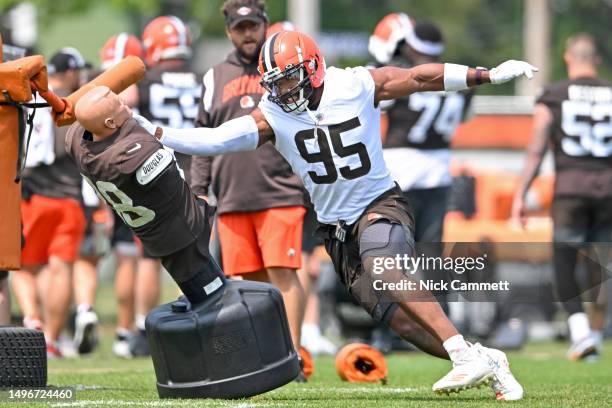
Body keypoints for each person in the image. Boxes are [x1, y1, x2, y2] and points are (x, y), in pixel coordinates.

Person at [135, 30, 536, 400]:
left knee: (384, 264)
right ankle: (483, 357)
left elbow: (416, 78)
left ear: (312, 67)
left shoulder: (353, 84)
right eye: (275, 82)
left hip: (380, 203)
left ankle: (461, 354)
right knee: (401, 322)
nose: (283, 89)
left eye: (289, 78)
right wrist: (158, 134)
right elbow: (217, 139)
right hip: (336, 229)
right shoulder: (274, 113)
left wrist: (485, 75)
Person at [190, 0, 307, 368]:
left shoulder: (285, 67)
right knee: (249, 285)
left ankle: (292, 357)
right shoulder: (214, 76)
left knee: (282, 274)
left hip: (280, 192)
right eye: (239, 28)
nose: (247, 34)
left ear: (265, 25)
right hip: (233, 197)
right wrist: (197, 189)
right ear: (228, 31)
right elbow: (202, 136)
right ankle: (265, 359)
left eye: (253, 26)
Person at [65, 85, 226, 316]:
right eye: (118, 104)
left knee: (202, 294)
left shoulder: (77, 141)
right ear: (110, 124)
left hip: (155, 231)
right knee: (211, 299)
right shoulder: (129, 154)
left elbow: (84, 119)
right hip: (179, 230)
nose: (125, 103)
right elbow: (158, 156)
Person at [512, 33, 610, 361]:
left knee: (564, 260)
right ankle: (594, 335)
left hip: (570, 189)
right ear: (596, 60)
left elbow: (536, 147)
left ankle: (580, 331)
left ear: (568, 57)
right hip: (608, 189)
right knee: (603, 266)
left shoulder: (554, 94)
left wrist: (520, 194)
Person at [11, 47, 90, 358]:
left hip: (30, 195)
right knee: (60, 268)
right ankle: (52, 341)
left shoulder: (24, 98)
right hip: (69, 198)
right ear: (68, 71)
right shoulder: (71, 104)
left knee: (22, 267)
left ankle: (32, 318)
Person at [99, 31, 158, 358]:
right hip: (141, 170)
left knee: (127, 257)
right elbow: (130, 97)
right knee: (143, 257)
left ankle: (126, 330)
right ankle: (137, 328)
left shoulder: (105, 84)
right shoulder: (134, 85)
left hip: (114, 173)